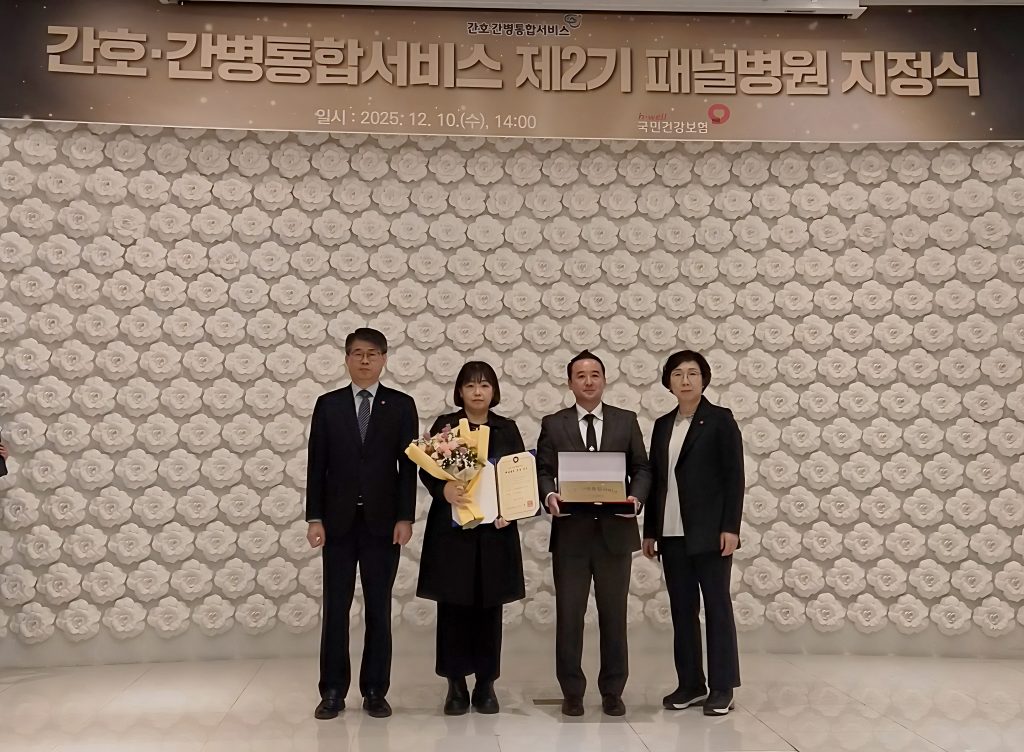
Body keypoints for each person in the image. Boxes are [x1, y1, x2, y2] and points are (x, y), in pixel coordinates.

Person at [305, 327, 419, 720]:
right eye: (357, 353)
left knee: (378, 609)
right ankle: (332, 690)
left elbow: (408, 469)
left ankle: (374, 690)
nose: (365, 360)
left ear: (384, 358)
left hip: (383, 525)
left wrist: (405, 516)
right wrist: (314, 517)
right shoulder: (328, 405)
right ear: (346, 359)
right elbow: (317, 464)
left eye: (372, 353)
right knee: (335, 608)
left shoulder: (401, 406)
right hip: (337, 523)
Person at [536, 350, 651, 717]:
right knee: (569, 616)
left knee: (614, 616)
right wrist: (549, 495)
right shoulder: (554, 423)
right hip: (571, 533)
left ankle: (613, 690)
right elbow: (543, 469)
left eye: (595, 374)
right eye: (581, 376)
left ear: (604, 379)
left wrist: (636, 497)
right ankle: (572, 691)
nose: (588, 381)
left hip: (615, 532)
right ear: (570, 383)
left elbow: (642, 467)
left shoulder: (625, 420)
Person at [417, 361, 527, 716]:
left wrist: (511, 510)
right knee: (453, 607)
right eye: (470, 385)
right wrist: (443, 490)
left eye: (484, 385)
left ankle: (485, 683)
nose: (477, 392)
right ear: (459, 391)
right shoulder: (446, 426)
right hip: (454, 532)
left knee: (489, 608)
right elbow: (427, 469)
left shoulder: (507, 428)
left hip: (494, 533)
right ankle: (455, 684)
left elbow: (518, 475)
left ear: (494, 391)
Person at [642, 350, 744, 716]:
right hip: (671, 533)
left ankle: (722, 687)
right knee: (682, 611)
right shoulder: (662, 425)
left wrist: (731, 526)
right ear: (668, 382)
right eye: (678, 374)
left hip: (710, 533)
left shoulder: (720, 420)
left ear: (704, 379)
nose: (685, 381)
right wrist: (650, 530)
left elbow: (734, 477)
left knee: (717, 608)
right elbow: (656, 481)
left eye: (692, 373)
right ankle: (690, 684)